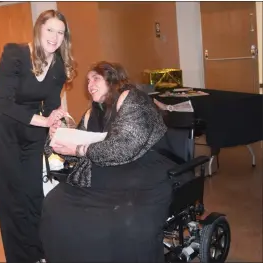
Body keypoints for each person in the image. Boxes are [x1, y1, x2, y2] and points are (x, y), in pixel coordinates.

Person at [40, 61, 175, 263]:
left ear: (112, 78)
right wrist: (56, 138)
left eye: (95, 78)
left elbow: (126, 145)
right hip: (106, 172)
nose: (89, 84)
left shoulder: (131, 98)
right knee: (55, 204)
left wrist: (79, 149)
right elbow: (77, 151)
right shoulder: (91, 113)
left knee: (117, 220)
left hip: (145, 168)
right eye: (87, 81)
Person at [0, 10, 75, 263]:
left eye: (60, 32)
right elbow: (5, 102)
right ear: (39, 30)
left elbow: (52, 103)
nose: (55, 37)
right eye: (50, 30)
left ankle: (39, 252)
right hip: (4, 125)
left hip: (33, 125)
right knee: (11, 193)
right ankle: (20, 257)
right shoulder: (15, 54)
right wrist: (45, 121)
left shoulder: (58, 65)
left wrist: (55, 120)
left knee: (33, 190)